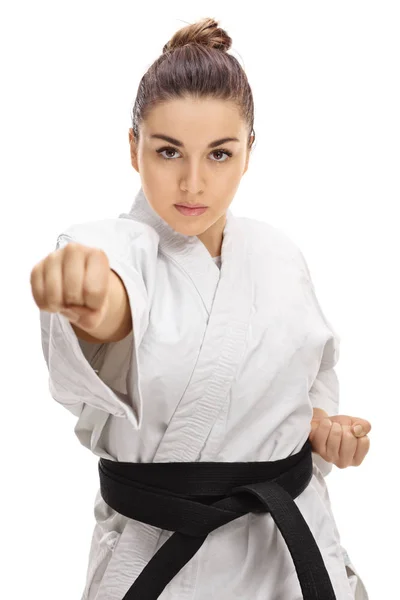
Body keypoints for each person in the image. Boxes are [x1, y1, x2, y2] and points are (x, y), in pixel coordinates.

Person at [31, 17, 371, 600]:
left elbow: (300, 385)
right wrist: (87, 300)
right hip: (161, 561)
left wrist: (322, 430)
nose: (193, 183)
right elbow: (116, 307)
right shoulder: (112, 248)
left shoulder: (278, 254)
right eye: (168, 152)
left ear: (249, 153)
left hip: (286, 553)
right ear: (133, 149)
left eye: (219, 154)